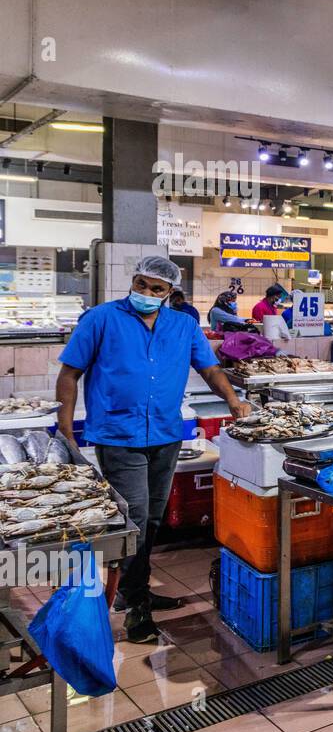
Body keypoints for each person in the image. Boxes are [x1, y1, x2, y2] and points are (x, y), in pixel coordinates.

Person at [56, 256, 254, 643]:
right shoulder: (100, 319)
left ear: (170, 293)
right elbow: (70, 373)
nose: (146, 293)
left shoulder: (182, 325)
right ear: (133, 281)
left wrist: (233, 401)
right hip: (117, 434)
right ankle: (137, 608)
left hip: (165, 435)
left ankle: (132, 591)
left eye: (156, 289)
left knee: (152, 520)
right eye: (141, 284)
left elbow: (210, 370)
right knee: (136, 517)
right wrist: (66, 430)